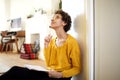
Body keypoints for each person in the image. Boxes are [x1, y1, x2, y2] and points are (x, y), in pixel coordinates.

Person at [0, 10, 81, 80]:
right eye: (53, 17)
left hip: (62, 77)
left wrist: (60, 74)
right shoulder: (52, 41)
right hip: (50, 73)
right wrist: (46, 45)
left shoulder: (71, 42)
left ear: (64, 23)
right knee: (15, 70)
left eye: (57, 17)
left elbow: (76, 69)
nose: (52, 19)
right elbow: (49, 64)